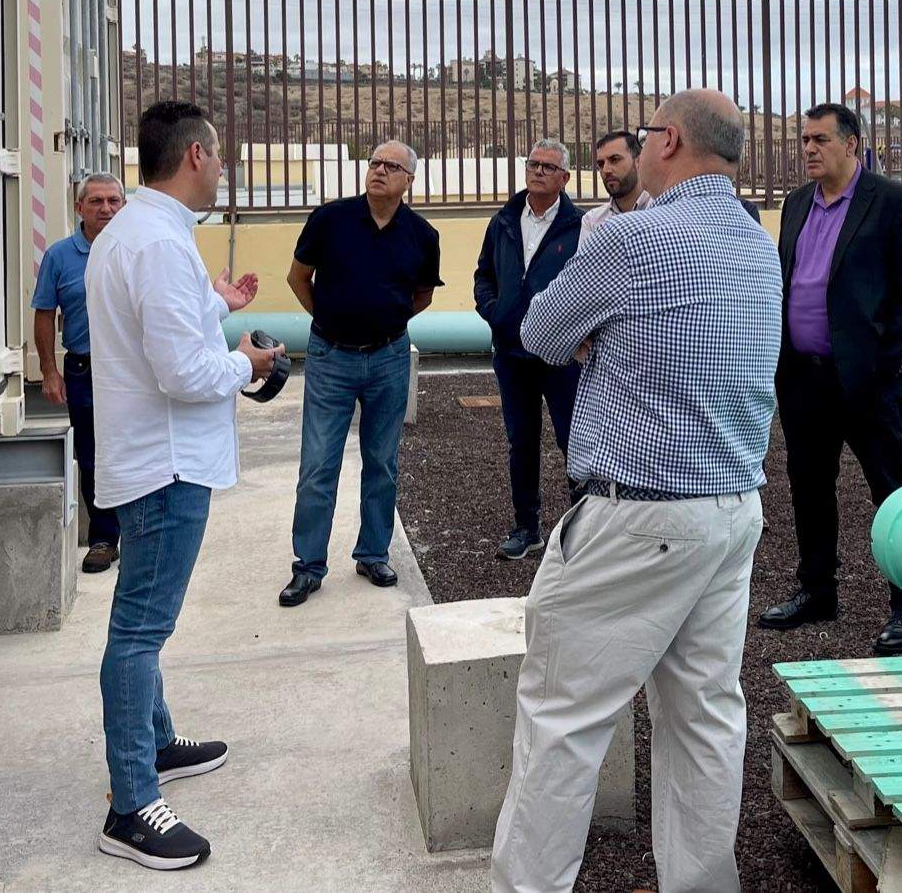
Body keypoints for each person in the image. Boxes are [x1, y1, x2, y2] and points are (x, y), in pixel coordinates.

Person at [491, 90, 780, 893]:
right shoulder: (759, 245)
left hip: (636, 514)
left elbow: (539, 334)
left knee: (563, 720)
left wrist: (600, 337)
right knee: (705, 718)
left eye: (648, 131)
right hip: (729, 508)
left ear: (670, 140)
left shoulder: (631, 237)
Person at [88, 101, 280, 869]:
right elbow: (185, 373)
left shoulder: (135, 231)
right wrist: (249, 364)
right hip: (167, 465)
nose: (223, 167)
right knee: (139, 630)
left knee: (142, 619)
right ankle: (131, 803)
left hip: (152, 458)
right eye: (220, 155)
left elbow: (157, 332)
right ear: (196, 155)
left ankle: (158, 743)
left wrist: (216, 305)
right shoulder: (160, 245)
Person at [758, 103, 902, 654]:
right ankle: (817, 590)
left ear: (852, 143)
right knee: (810, 488)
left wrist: (882, 364)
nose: (808, 148)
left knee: (892, 491)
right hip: (803, 378)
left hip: (867, 380)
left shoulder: (895, 203)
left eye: (819, 140)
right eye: (804, 139)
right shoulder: (795, 204)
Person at [278, 141, 443, 606]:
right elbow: (298, 278)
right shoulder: (329, 220)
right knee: (317, 466)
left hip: (388, 360)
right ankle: (308, 567)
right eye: (374, 163)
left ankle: (373, 553)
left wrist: (385, 325)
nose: (379, 171)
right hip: (331, 358)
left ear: (409, 180)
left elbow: (423, 295)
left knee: (382, 462)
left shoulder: (422, 236)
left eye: (392, 166)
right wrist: (328, 320)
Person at [474, 140, 584, 560]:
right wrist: (494, 311)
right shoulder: (503, 220)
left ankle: (581, 532)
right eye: (533, 163)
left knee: (572, 440)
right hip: (512, 354)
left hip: (560, 356)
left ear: (564, 178)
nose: (538, 171)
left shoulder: (580, 227)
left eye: (548, 166)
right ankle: (526, 528)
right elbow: (484, 274)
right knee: (521, 442)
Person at [33, 172, 126, 573]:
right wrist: (49, 371)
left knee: (131, 450)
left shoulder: (131, 248)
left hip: (127, 369)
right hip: (84, 370)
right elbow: (43, 313)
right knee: (91, 456)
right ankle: (104, 539)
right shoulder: (58, 256)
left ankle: (136, 534)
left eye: (113, 201)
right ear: (79, 208)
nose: (106, 209)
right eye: (96, 202)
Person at [577, 129, 651, 243]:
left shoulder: (661, 209)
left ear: (638, 162)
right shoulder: (593, 221)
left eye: (615, 160)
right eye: (601, 164)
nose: (606, 170)